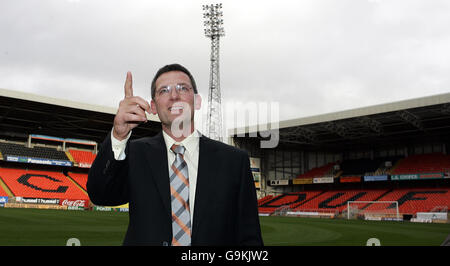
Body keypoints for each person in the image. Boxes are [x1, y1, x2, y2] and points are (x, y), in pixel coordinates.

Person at [87, 63, 263, 246]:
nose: (174, 96)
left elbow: (249, 239)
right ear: (153, 107)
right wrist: (118, 135)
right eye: (164, 90)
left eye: (182, 88)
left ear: (197, 101)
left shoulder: (234, 161)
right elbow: (100, 195)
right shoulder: (135, 154)